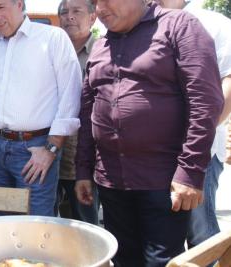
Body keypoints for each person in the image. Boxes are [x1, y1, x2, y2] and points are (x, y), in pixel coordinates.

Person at [75, 1, 224, 266]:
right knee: (122, 260)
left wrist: (190, 172)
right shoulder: (101, 46)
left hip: (162, 182)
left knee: (162, 262)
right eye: (95, 2)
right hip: (112, 181)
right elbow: (87, 116)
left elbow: (205, 102)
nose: (99, 8)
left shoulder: (179, 26)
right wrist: (83, 171)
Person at [0, 0, 82, 217]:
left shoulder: (52, 39)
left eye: (1, 7)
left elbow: (70, 98)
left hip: (34, 149)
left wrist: (51, 150)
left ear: (19, 4)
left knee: (35, 225)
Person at [153, 0, 231, 249]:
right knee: (165, 233)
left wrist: (196, 139)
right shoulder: (146, 25)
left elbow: (229, 81)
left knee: (200, 235)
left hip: (198, 152)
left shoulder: (214, 23)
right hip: (156, 153)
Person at [55, 0, 99, 225]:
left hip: (85, 160)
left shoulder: (103, 52)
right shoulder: (50, 53)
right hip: (51, 156)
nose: (69, 17)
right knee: (50, 228)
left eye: (76, 11)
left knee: (85, 227)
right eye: (64, 12)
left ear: (93, 17)